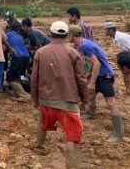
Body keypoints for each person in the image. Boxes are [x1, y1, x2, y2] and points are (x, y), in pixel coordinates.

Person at [31, 21, 87, 169]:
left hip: (46, 99)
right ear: (67, 35)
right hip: (67, 101)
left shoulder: (40, 52)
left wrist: (34, 98)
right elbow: (81, 79)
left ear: (50, 34)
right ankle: (72, 166)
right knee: (72, 137)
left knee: (43, 122)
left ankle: (39, 147)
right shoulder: (73, 53)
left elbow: (34, 77)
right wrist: (85, 100)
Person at [68, 24, 125, 142]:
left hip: (106, 75)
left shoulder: (84, 46)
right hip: (100, 74)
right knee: (91, 95)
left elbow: (97, 63)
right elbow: (96, 61)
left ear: (70, 35)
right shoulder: (86, 42)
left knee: (111, 103)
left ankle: (119, 132)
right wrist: (89, 74)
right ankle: (90, 113)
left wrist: (92, 82)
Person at [104, 21, 130, 97]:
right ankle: (128, 90)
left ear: (111, 30)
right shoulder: (115, 37)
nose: (105, 32)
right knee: (125, 71)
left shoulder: (121, 38)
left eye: (106, 30)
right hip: (129, 52)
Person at [5, 23, 31, 99]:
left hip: (18, 57)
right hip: (26, 57)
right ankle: (18, 91)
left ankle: (23, 95)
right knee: (17, 75)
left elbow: (4, 46)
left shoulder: (7, 34)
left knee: (10, 77)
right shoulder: (20, 36)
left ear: (9, 29)